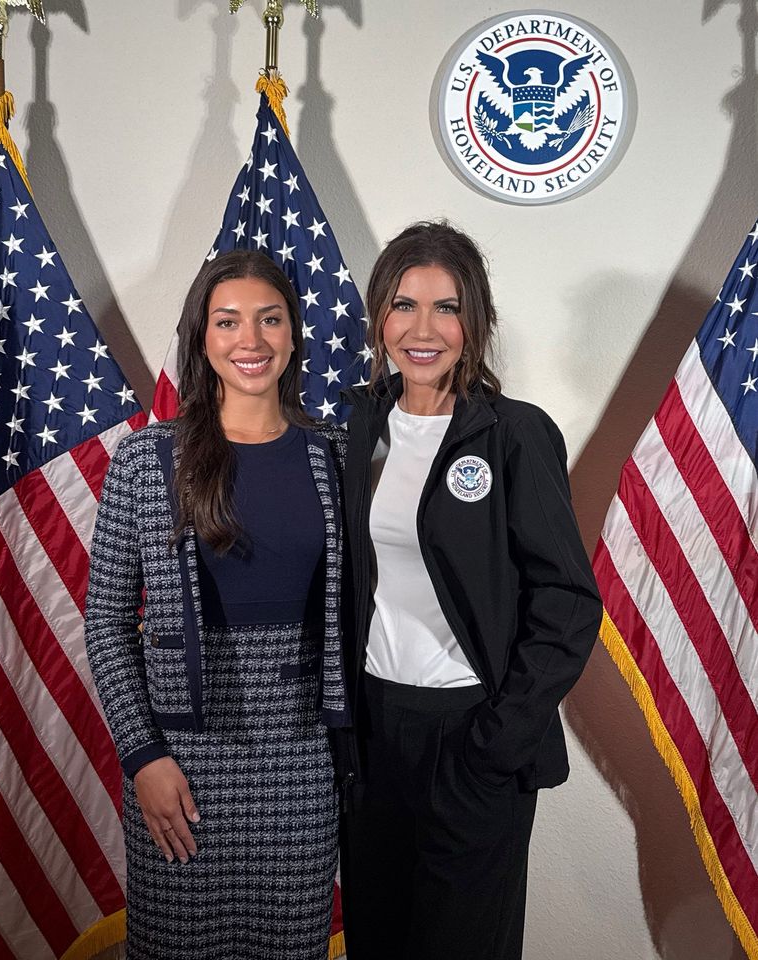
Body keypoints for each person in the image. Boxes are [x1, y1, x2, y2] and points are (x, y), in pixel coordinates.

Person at [338, 221, 603, 960]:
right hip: (372, 733)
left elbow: (567, 602)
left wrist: (494, 740)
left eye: (446, 308)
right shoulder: (355, 425)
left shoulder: (513, 434)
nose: (422, 330)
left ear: (475, 322)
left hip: (471, 734)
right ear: (377, 318)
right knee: (379, 940)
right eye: (403, 305)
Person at [85, 250, 350, 960]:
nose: (251, 340)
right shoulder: (147, 460)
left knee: (290, 948)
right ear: (201, 338)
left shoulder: (335, 456)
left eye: (270, 320)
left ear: (294, 333)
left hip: (300, 764)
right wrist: (144, 758)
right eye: (227, 321)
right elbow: (107, 623)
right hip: (180, 764)